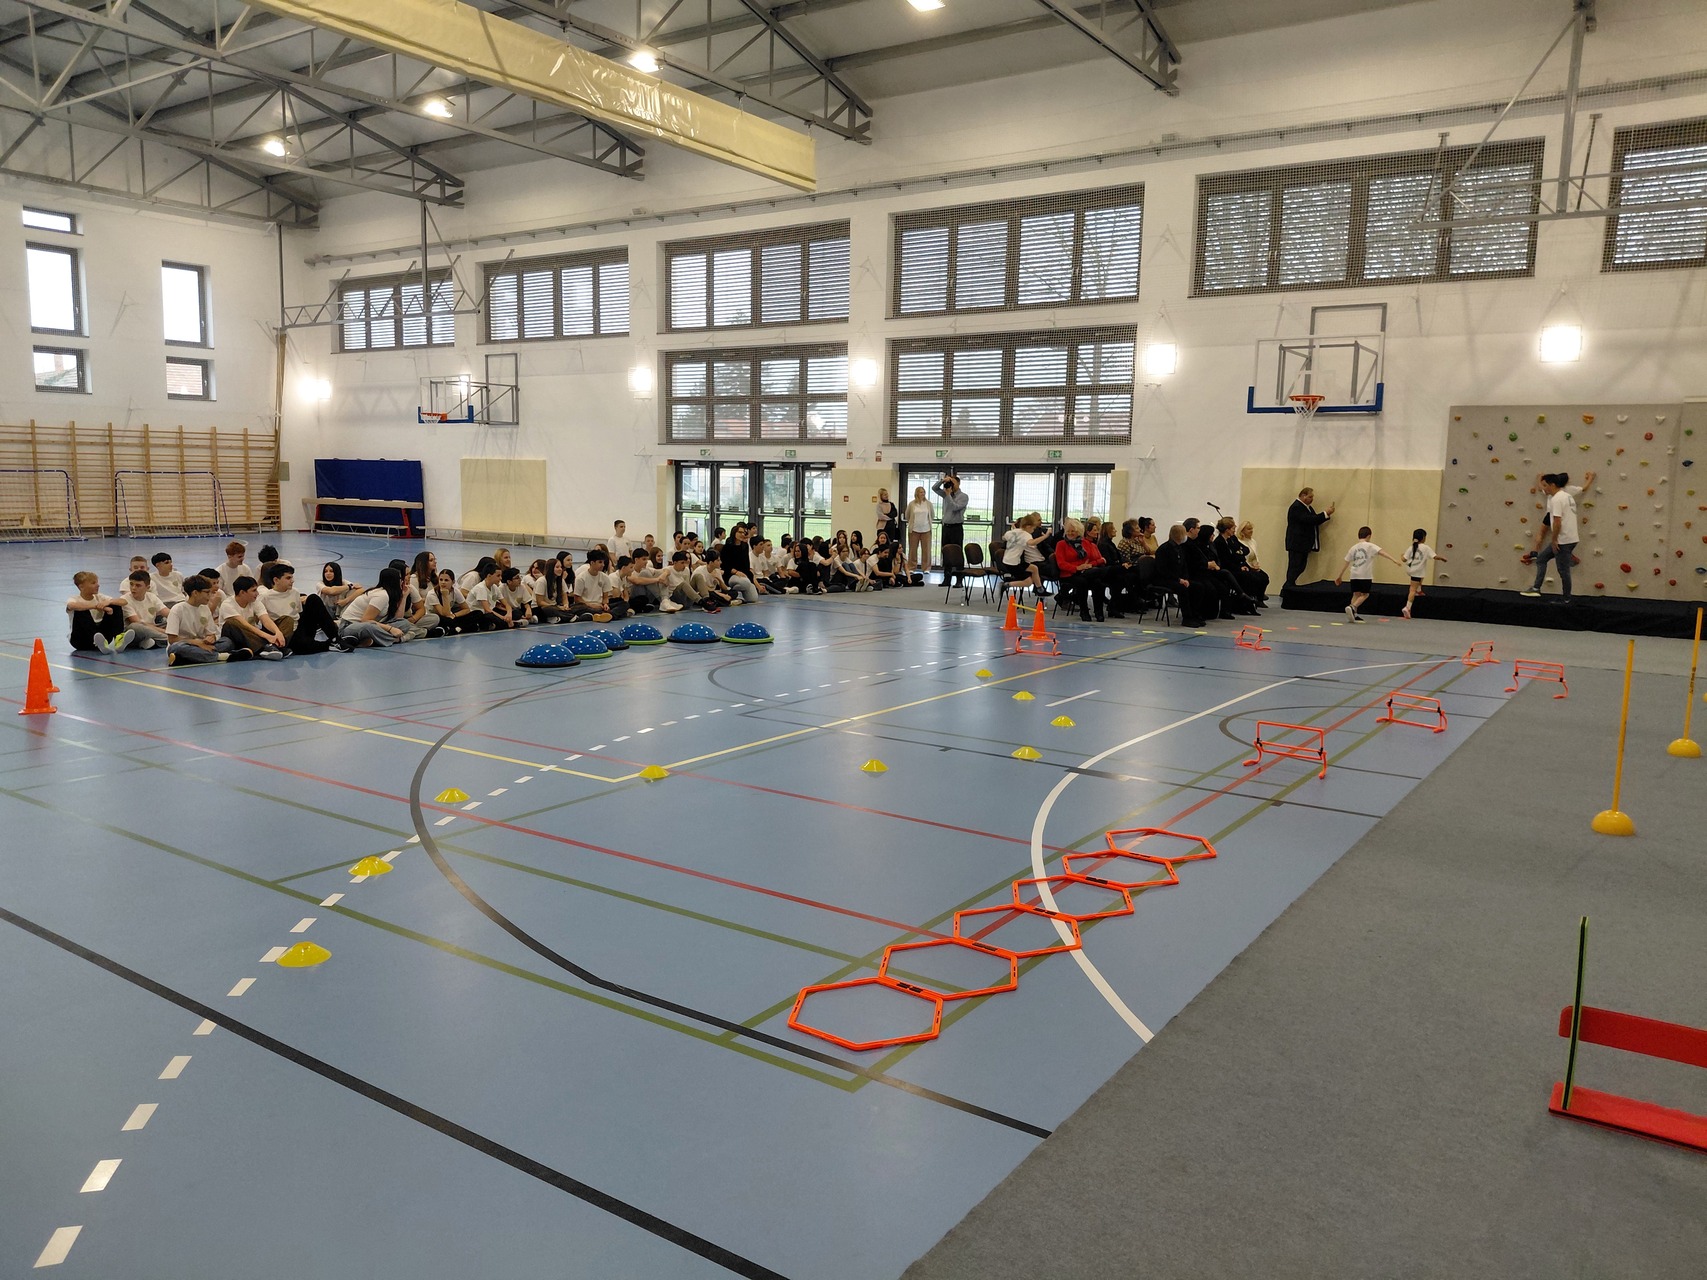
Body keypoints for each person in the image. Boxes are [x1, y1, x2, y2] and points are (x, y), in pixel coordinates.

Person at [1521, 471, 1594, 602]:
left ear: (1552, 485)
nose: (1543, 488)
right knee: (1541, 559)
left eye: (1545, 485)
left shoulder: (1556, 499)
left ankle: (1566, 599)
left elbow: (1557, 521)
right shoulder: (1567, 496)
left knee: (1563, 571)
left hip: (1563, 540)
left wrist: (1554, 540)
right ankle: (1536, 588)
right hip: (1569, 539)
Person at [166, 575, 246, 665]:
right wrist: (196, 643)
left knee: (227, 642)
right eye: (207, 592)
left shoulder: (205, 608)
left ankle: (188, 658)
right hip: (185, 644)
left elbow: (211, 633)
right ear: (195, 593)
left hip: (203, 645)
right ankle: (224, 656)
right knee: (177, 648)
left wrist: (211, 638)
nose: (210, 596)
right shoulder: (177, 609)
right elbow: (172, 639)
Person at [1335, 526, 1404, 622]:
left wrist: (1339, 576)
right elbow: (1382, 553)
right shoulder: (1370, 546)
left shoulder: (1353, 548)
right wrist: (1394, 560)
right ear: (1369, 536)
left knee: (1356, 594)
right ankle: (1352, 607)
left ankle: (1354, 614)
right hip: (1365, 575)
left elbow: (1346, 562)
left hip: (1354, 575)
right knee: (1365, 594)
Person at [1155, 525, 1218, 628]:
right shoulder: (1164, 549)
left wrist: (1185, 578)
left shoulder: (1179, 548)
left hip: (1179, 578)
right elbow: (1163, 570)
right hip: (1165, 579)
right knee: (1183, 589)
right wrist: (1179, 579)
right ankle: (1187, 617)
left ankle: (1195, 614)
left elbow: (1184, 566)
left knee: (1198, 587)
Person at [1055, 518, 1118, 620]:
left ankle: (1099, 613)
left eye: (1073, 531)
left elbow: (1091, 559)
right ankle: (1084, 611)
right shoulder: (1061, 544)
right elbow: (1061, 564)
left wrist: (1088, 565)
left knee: (1097, 582)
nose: (1070, 533)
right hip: (1069, 574)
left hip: (1085, 571)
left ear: (1079, 532)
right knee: (1083, 582)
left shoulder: (1083, 543)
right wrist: (1077, 568)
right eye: (1068, 531)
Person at [218, 576, 287, 658]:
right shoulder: (227, 605)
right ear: (242, 592)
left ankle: (276, 645)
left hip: (253, 636)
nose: (257, 593)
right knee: (232, 623)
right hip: (237, 636)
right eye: (254, 590)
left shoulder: (255, 602)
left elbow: (265, 619)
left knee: (287, 620)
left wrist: (278, 632)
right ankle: (264, 648)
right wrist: (267, 636)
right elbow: (245, 625)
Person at [338, 568, 407, 648]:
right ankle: (396, 639)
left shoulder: (388, 594)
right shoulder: (381, 595)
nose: (402, 581)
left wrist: (404, 597)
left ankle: (372, 640)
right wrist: (390, 629)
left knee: (404, 623)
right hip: (349, 626)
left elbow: (397, 618)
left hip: (372, 624)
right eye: (400, 579)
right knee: (369, 627)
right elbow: (365, 620)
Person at [66, 572, 133, 653]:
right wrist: (97, 606)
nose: (98, 585)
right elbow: (71, 605)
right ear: (81, 587)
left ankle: (118, 639)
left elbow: (124, 601)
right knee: (80, 610)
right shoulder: (74, 599)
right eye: (93, 583)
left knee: (115, 605)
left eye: (97, 582)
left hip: (104, 637)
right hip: (81, 640)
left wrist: (109, 602)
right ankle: (97, 639)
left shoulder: (99, 597)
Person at [1284, 488, 1335, 590]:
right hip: (1296, 543)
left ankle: (1289, 586)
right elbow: (1309, 520)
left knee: (1300, 566)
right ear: (1303, 496)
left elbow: (1314, 520)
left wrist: (1326, 515)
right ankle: (1288, 587)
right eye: (1310, 497)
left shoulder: (1308, 508)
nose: (1312, 499)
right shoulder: (1296, 507)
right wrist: (1325, 513)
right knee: (1295, 566)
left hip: (1303, 544)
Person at [1213, 517, 1270, 604]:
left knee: (1263, 576)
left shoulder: (1231, 539)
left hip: (1238, 565)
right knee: (1250, 577)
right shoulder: (1219, 542)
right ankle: (1248, 599)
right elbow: (1226, 560)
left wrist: (1240, 554)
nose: (1234, 530)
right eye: (1233, 528)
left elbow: (1244, 550)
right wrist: (1240, 567)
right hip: (1230, 568)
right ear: (1227, 530)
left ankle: (1258, 597)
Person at [118, 570, 169, 649]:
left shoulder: (152, 597)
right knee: (135, 627)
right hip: (138, 631)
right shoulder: (125, 599)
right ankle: (171, 639)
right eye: (131, 584)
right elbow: (138, 622)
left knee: (171, 622)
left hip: (152, 627)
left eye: (138, 585)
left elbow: (168, 613)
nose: (133, 588)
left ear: (147, 587)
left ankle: (153, 642)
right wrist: (164, 631)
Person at [1401, 529, 1446, 619]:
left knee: (1421, 576)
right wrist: (1442, 558)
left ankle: (1419, 590)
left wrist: (1401, 555)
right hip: (1417, 571)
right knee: (1412, 590)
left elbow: (1404, 559)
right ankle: (1407, 607)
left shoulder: (1411, 547)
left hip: (1411, 569)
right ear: (1423, 538)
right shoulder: (1425, 548)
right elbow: (1435, 557)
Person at [1000, 514, 1047, 594]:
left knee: (1034, 568)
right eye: (1033, 528)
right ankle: (1006, 584)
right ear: (1028, 527)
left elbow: (1004, 537)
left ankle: (1040, 589)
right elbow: (1032, 543)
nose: (1033, 531)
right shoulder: (1026, 535)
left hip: (1009, 560)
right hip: (1013, 563)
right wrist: (1045, 536)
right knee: (1028, 582)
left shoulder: (1013, 532)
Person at [903, 485, 934, 583]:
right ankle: (912, 567)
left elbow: (932, 515)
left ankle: (926, 568)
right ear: (917, 493)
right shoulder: (912, 504)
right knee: (912, 549)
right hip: (914, 529)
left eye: (924, 492)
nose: (923, 494)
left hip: (926, 529)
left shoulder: (928, 504)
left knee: (926, 549)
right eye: (921, 492)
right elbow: (907, 515)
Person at [932, 473, 968, 553]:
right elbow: (934, 488)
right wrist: (942, 481)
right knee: (945, 550)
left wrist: (948, 495)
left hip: (956, 528)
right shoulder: (946, 494)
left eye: (953, 483)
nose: (951, 485)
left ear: (958, 483)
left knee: (956, 551)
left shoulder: (963, 496)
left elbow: (954, 508)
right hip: (946, 528)